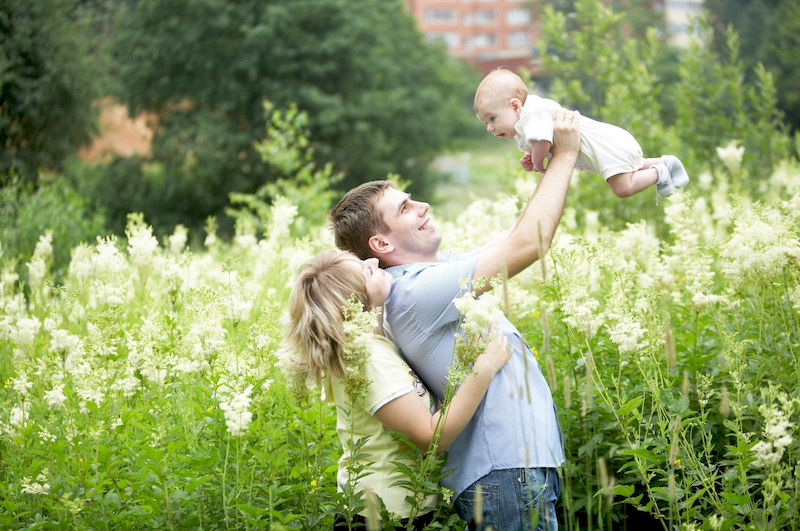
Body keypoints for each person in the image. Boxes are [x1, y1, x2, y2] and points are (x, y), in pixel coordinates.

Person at [329, 109, 582, 530]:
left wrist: (540, 155)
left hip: (518, 468)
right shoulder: (412, 293)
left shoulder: (430, 275)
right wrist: (565, 156)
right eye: (406, 207)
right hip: (505, 473)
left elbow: (515, 237)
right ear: (381, 242)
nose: (423, 206)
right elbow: (527, 244)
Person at [282, 250, 511, 529]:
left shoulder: (375, 345)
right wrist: (483, 369)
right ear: (355, 301)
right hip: (384, 516)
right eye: (365, 270)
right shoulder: (368, 358)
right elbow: (430, 437)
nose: (374, 261)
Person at [474, 68, 689, 198]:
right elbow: (541, 142)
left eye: (492, 118)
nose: (490, 128)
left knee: (623, 188)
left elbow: (542, 141)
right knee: (633, 168)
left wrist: (538, 163)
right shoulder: (531, 116)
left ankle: (659, 171)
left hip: (607, 146)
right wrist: (532, 154)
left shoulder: (533, 115)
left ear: (514, 106)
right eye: (485, 122)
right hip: (611, 142)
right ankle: (665, 162)